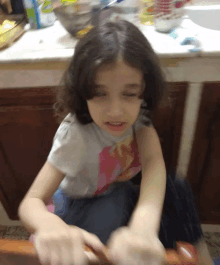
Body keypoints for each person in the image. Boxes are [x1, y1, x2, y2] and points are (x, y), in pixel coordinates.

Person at [18, 20, 214, 265]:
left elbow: (154, 161)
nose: (116, 112)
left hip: (112, 189)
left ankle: (202, 257)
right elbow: (31, 202)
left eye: (129, 94)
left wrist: (144, 225)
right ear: (82, 91)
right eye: (100, 94)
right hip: (80, 202)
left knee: (177, 188)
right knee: (108, 233)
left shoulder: (139, 117)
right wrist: (49, 225)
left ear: (144, 89)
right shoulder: (76, 135)